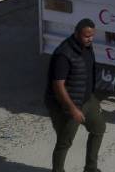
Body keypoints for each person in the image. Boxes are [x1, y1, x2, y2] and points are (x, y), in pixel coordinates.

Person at [45, 18, 106, 172]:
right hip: (66, 106)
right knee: (64, 142)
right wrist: (73, 109)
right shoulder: (63, 55)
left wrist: (94, 99)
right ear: (76, 33)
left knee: (99, 128)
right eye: (86, 36)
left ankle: (91, 168)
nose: (90, 39)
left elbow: (86, 76)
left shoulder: (87, 47)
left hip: (86, 101)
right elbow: (58, 86)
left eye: (92, 35)